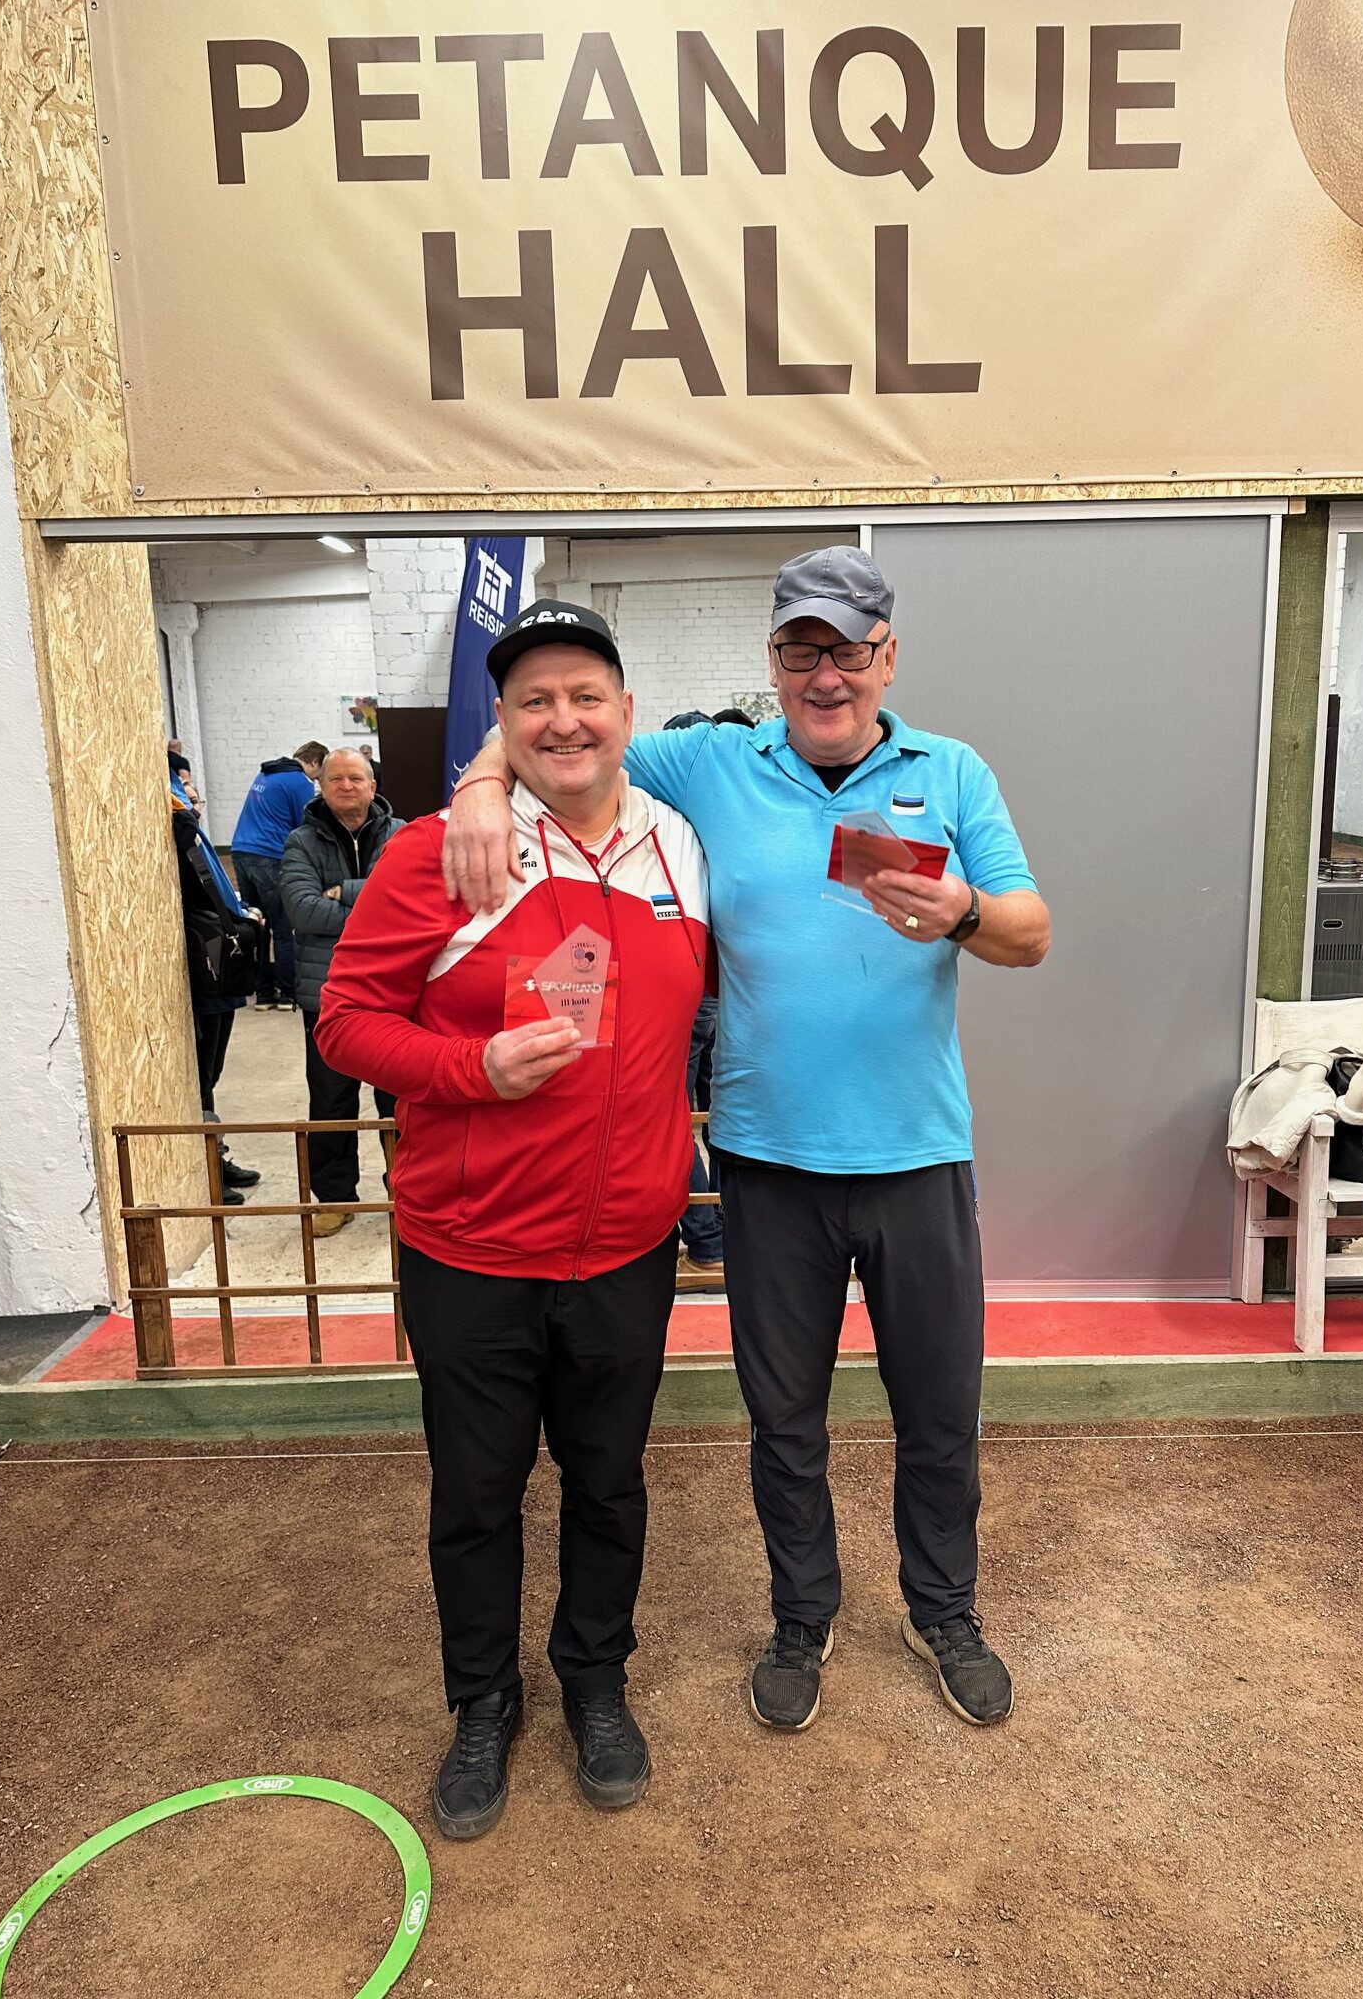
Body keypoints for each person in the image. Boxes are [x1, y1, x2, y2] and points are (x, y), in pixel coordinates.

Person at [444, 546, 1049, 1734]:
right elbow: (564, 737)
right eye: (800, 651)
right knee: (786, 1422)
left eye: (848, 651)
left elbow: (1030, 932)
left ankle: (943, 1611)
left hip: (919, 1156)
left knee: (939, 1414)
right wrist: (475, 786)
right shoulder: (713, 762)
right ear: (772, 661)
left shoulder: (952, 771)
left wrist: (965, 911)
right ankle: (801, 1616)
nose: (826, 676)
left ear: (887, 657)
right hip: (770, 1165)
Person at [315, 602, 709, 1835]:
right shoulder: (440, 849)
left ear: (627, 712)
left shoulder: (681, 845)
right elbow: (344, 1024)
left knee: (609, 1483)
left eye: (586, 694)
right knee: (478, 1494)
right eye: (534, 700)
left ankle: (596, 1681)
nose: (564, 719)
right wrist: (470, 1069)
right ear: (503, 722)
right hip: (471, 1251)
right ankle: (483, 1701)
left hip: (627, 1248)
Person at [280, 749, 402, 1235]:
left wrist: (343, 891)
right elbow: (303, 910)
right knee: (331, 1101)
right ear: (322, 786)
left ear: (373, 786)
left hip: (396, 991)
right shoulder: (301, 841)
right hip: (327, 994)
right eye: (336, 779)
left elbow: (415, 899)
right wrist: (376, 902)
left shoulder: (402, 835)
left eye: (356, 778)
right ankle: (334, 1198)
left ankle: (407, 1193)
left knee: (400, 1101)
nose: (346, 786)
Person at [169, 769, 262, 1203]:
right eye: (185, 795)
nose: (192, 802)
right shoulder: (182, 831)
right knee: (202, 1076)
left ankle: (216, 1155)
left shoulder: (193, 833)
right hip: (205, 964)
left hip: (222, 965)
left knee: (214, 1071)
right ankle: (209, 1171)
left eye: (194, 797)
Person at [661, 713, 725, 1275]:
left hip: (683, 993)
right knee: (720, 1117)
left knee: (672, 1117)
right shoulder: (728, 818)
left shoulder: (663, 825)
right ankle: (726, 1231)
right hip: (725, 994)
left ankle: (707, 1238)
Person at [231, 741, 329, 1011]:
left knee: (258, 926)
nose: (318, 779)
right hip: (270, 856)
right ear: (314, 762)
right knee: (283, 928)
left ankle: (263, 993)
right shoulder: (299, 782)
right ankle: (287, 993)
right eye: (320, 773)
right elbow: (305, 824)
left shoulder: (266, 773)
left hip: (241, 852)